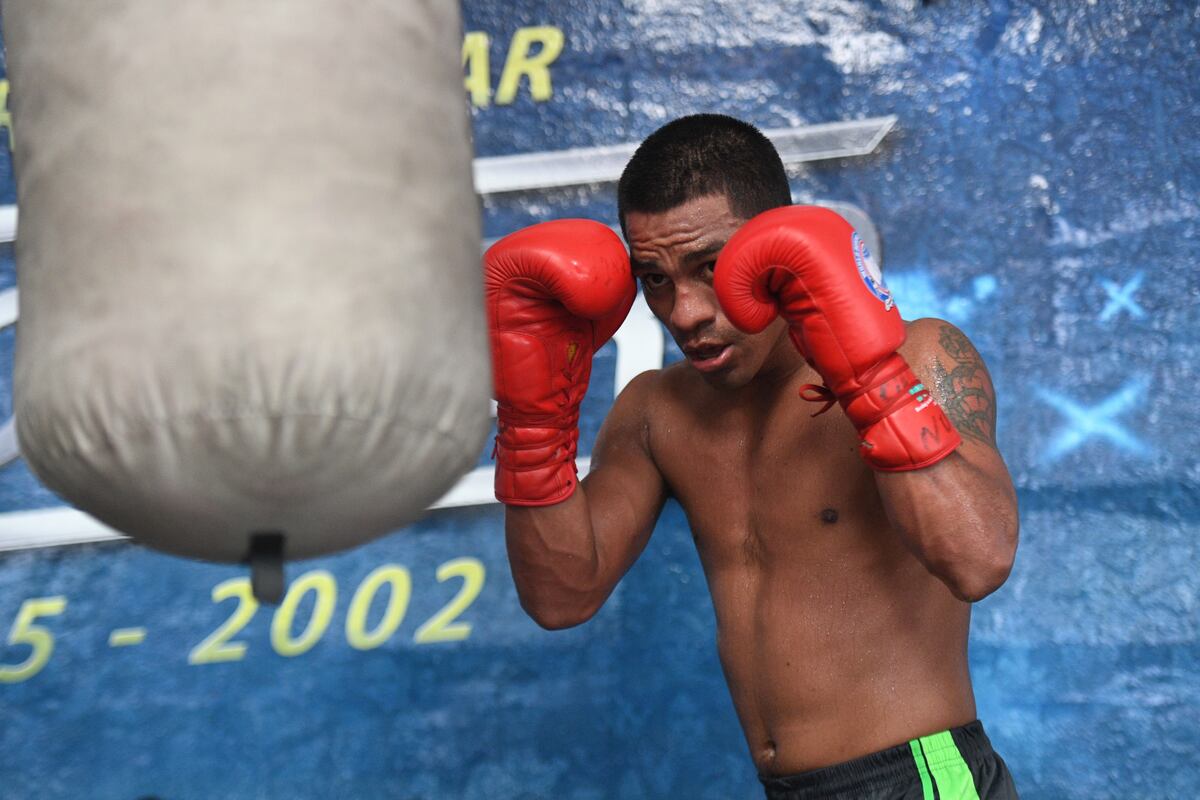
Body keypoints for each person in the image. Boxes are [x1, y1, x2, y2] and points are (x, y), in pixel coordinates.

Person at [484, 114, 1020, 799]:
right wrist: (534, 427)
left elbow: (978, 559)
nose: (685, 313)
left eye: (710, 268)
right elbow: (561, 596)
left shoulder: (920, 356)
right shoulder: (657, 413)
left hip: (919, 779)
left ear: (775, 246)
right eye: (655, 279)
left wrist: (872, 384)